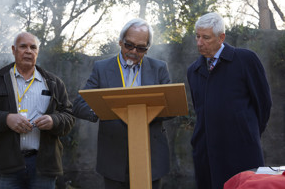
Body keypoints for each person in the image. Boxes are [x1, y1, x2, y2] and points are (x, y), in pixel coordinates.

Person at [73, 18, 171, 189]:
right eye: (129, 45)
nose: (133, 51)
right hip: (114, 158)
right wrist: (100, 110)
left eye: (141, 48)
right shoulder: (101, 68)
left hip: (151, 157)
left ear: (147, 49)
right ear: (120, 42)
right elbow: (79, 103)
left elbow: (171, 106)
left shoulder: (159, 68)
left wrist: (142, 114)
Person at [187, 12, 272, 189]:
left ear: (221, 37)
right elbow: (200, 111)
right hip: (207, 156)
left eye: (206, 37)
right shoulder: (193, 71)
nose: (199, 42)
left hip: (242, 153)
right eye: (197, 36)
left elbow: (263, 104)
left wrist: (247, 133)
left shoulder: (245, 60)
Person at [0, 32, 75, 189]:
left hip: (43, 165)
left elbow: (69, 117)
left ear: (37, 52)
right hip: (8, 164)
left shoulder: (54, 83)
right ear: (14, 50)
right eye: (23, 46)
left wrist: (54, 121)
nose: (28, 51)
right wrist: (6, 119)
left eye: (33, 47)